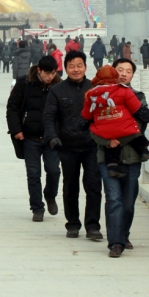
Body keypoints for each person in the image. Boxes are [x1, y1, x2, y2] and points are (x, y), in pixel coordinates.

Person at [93, 58, 149, 257]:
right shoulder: (98, 97)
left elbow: (141, 123)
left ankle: (123, 234)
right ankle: (115, 243)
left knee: (127, 201)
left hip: (132, 157)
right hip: (107, 155)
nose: (124, 73)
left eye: (128, 71)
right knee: (113, 199)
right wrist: (107, 140)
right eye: (120, 70)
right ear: (113, 71)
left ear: (133, 75)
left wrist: (117, 136)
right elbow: (92, 124)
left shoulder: (138, 97)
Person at [43, 51, 102, 240]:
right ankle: (73, 224)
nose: (76, 69)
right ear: (65, 68)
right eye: (71, 66)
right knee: (70, 186)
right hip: (67, 145)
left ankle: (93, 226)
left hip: (92, 145)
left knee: (93, 185)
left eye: (79, 65)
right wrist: (52, 136)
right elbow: (49, 116)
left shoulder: (95, 88)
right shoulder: (57, 90)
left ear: (85, 66)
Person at [7, 56, 61, 221]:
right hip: (29, 136)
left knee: (54, 170)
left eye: (52, 73)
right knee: (33, 174)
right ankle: (37, 207)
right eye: (47, 73)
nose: (50, 77)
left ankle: (50, 195)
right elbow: (13, 107)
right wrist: (16, 129)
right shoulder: (24, 83)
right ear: (39, 70)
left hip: (52, 137)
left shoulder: (59, 85)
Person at [81, 65, 149, 177]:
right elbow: (136, 107)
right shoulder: (123, 90)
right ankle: (143, 151)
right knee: (135, 135)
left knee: (110, 147)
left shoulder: (90, 94)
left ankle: (112, 166)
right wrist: (147, 115)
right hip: (124, 128)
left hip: (105, 133)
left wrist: (83, 124)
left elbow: (86, 115)